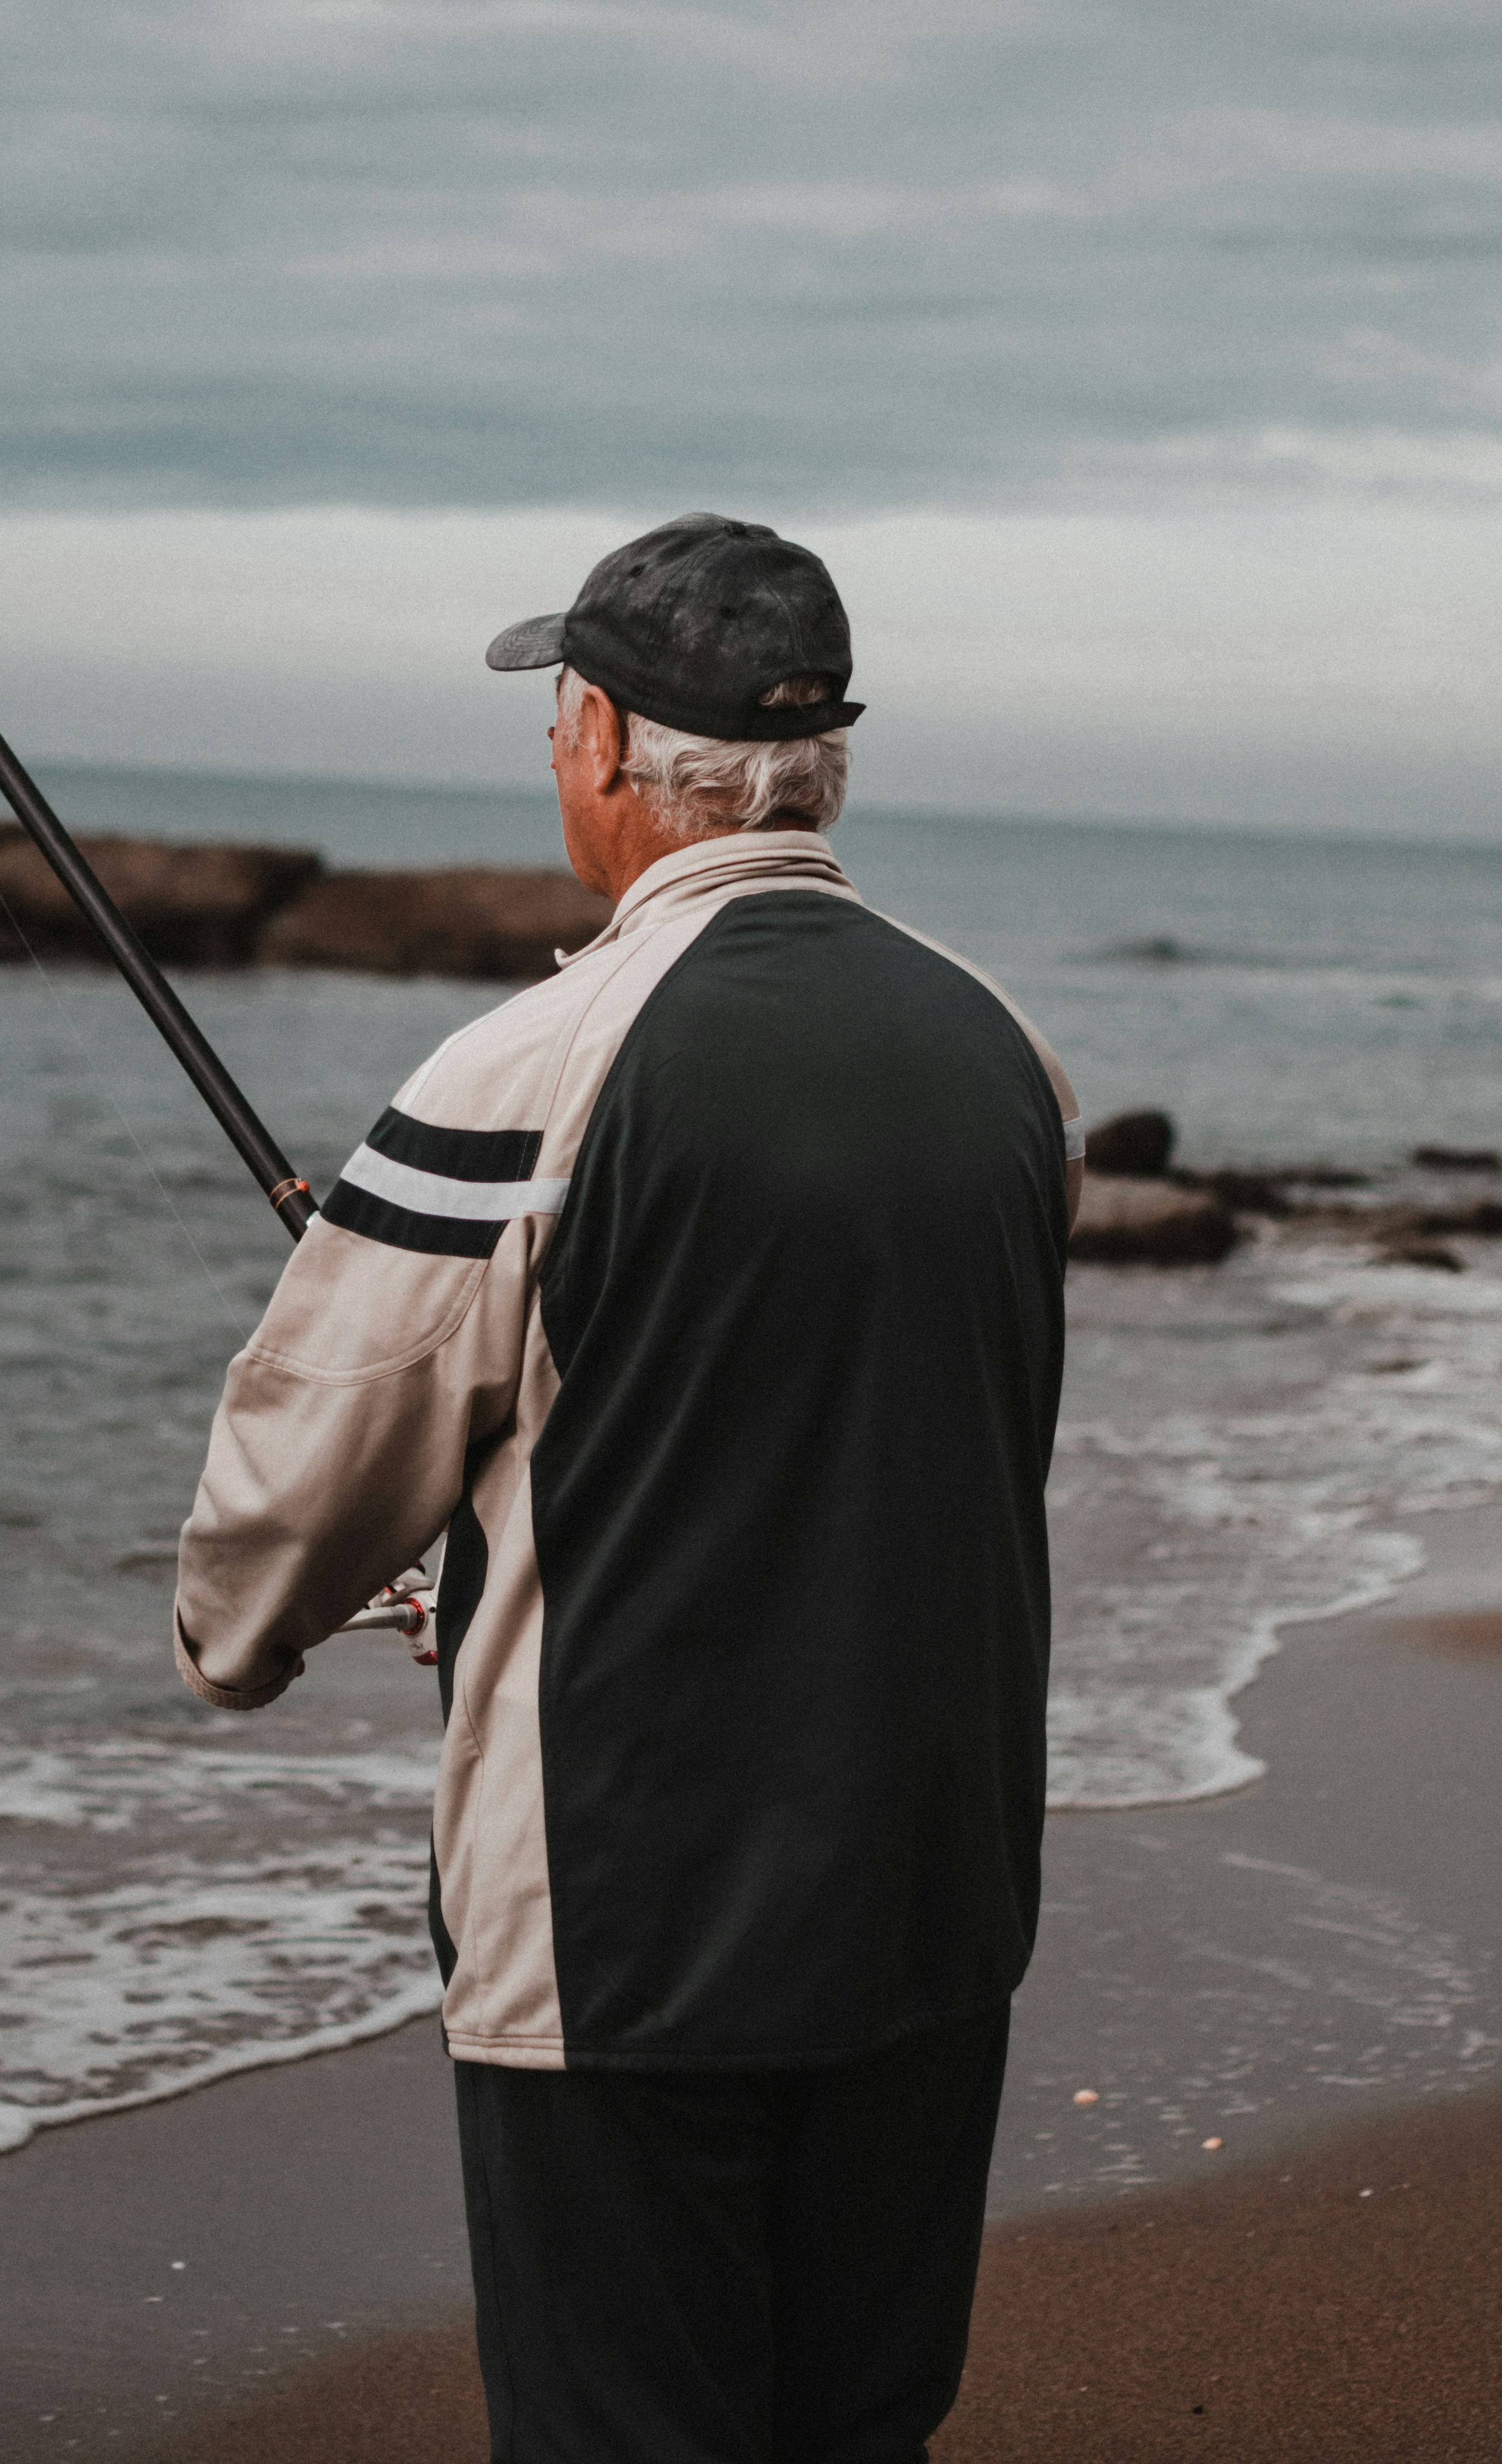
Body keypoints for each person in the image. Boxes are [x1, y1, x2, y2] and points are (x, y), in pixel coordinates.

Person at [175, 511, 1082, 2462]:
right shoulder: (1009, 1057)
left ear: (597, 742)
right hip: (934, 1903)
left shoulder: (520, 1073)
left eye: (556, 723)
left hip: (628, 1934)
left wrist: (249, 1634)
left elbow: (275, 1525)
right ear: (817, 757)